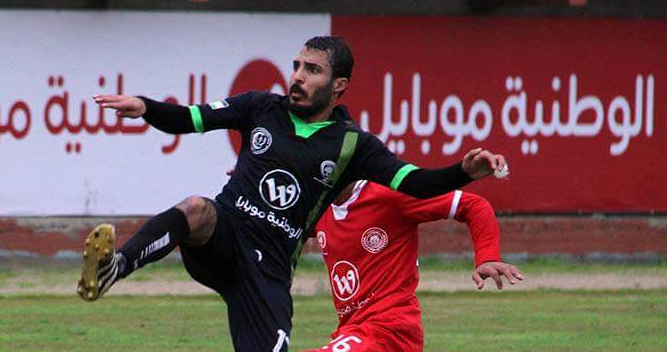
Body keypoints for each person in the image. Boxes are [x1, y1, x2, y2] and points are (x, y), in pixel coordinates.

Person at [77, 36, 507, 351]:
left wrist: (463, 172)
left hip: (268, 270)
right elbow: (192, 117)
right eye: (297, 66)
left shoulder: (352, 145)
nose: (298, 77)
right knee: (196, 209)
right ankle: (117, 266)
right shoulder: (260, 107)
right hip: (225, 237)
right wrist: (147, 108)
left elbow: (414, 182)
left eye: (312, 70)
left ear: (338, 86)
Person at [306, 182, 523, 352]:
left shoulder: (390, 194)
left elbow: (472, 205)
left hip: (391, 332)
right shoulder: (319, 208)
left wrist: (487, 257)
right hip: (354, 333)